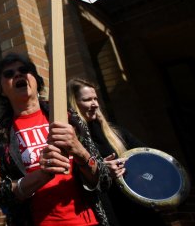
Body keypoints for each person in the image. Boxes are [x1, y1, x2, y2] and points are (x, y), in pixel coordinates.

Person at [0, 53, 112, 226]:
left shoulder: (67, 116)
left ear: (37, 80)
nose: (18, 75)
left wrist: (79, 151)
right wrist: (42, 174)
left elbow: (103, 179)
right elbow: (1, 193)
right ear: (0, 89)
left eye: (25, 70)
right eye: (9, 74)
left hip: (87, 221)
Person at [68, 78, 166, 226]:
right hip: (109, 211)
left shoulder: (116, 133)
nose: (95, 104)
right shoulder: (73, 142)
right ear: (74, 103)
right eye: (87, 100)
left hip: (138, 208)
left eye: (95, 98)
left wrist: (139, 175)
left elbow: (147, 157)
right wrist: (100, 170)